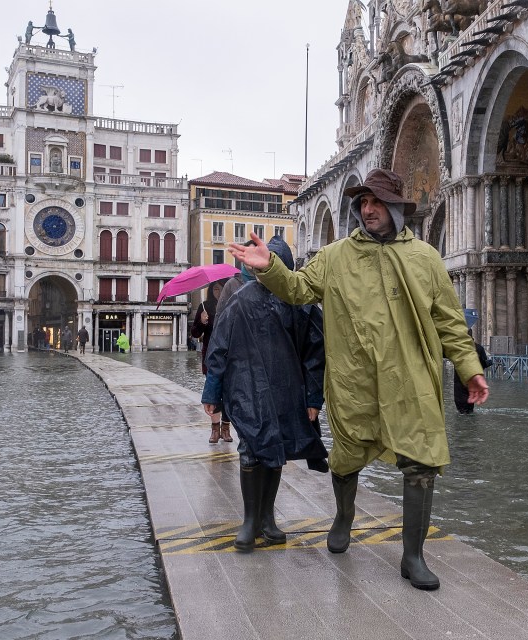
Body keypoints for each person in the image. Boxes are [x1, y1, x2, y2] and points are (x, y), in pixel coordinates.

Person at [229, 168, 489, 590]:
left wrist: (470, 370)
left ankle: (413, 557)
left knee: (421, 461)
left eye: (376, 201)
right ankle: (344, 517)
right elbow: (296, 290)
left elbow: (450, 324)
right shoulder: (335, 257)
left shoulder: (425, 258)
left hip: (411, 380)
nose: (367, 209)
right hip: (354, 381)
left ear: (396, 208)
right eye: (362, 202)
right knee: (347, 458)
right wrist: (269, 268)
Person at [202, 236, 328, 552]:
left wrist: (314, 398)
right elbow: (219, 347)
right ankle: (250, 520)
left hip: (286, 388)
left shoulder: (303, 304)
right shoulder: (239, 301)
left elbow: (316, 353)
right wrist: (212, 392)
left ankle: (268, 518)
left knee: (276, 448)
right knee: (251, 449)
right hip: (246, 388)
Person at [191, 281, 233, 444]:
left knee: (228, 394)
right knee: (213, 393)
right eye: (215, 289)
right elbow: (195, 333)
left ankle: (226, 428)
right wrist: (202, 322)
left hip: (229, 356)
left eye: (221, 289)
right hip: (211, 357)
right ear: (210, 291)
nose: (218, 292)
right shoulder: (205, 306)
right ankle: (215, 429)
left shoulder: (231, 304)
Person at [454, 328, 492, 414]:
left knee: (461, 409)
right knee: (470, 405)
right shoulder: (479, 348)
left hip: (459, 381)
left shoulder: (458, 348)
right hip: (473, 379)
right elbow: (484, 363)